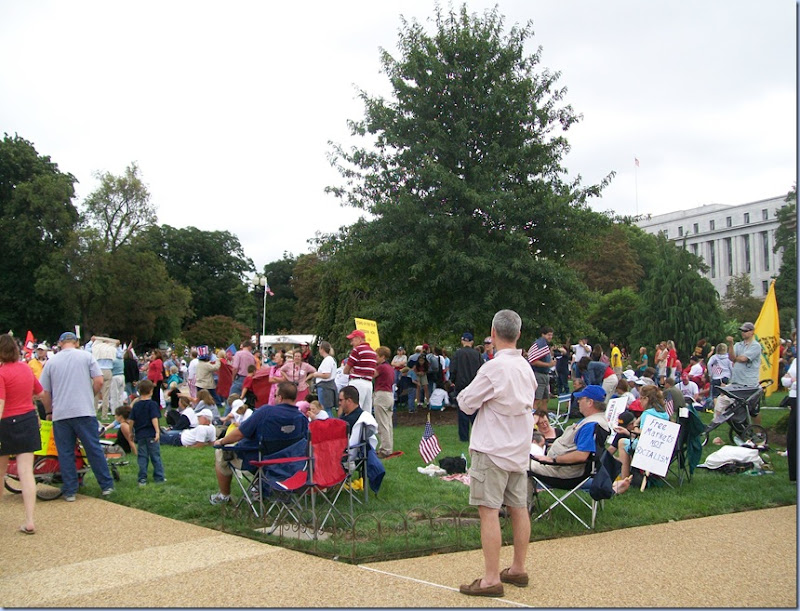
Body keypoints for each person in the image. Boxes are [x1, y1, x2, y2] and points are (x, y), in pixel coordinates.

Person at [457, 310, 536, 597]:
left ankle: (491, 578)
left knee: (488, 510)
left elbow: (467, 402)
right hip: (519, 448)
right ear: (518, 334)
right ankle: (518, 567)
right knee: (518, 507)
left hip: (492, 448)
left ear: (493, 333)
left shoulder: (494, 368)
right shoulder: (526, 367)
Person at [39, 331, 115, 501]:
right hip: (84, 410)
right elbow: (99, 380)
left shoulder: (51, 362)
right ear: (76, 342)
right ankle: (106, 485)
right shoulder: (86, 356)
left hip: (61, 412)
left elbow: (45, 392)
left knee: (65, 452)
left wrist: (49, 411)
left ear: (60, 343)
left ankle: (70, 490)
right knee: (93, 448)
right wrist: (90, 394)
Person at [209, 382, 307, 505]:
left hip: (259, 461)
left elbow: (240, 433)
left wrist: (221, 441)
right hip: (289, 464)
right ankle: (259, 488)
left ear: (280, 397)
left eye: (275, 395)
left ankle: (224, 496)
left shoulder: (266, 412)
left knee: (220, 451)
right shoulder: (301, 418)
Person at [0, 334, 43, 534]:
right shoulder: (26, 368)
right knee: (26, 472)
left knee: (1, 473)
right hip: (27, 420)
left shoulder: (1, 373)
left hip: (6, 423)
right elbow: (40, 393)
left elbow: (0, 404)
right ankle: (30, 520)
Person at [712, 322, 763, 422]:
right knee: (722, 399)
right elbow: (731, 357)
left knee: (753, 412)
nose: (743, 333)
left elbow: (744, 359)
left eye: (745, 331)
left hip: (749, 384)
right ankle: (715, 421)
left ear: (752, 332)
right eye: (742, 331)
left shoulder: (755, 346)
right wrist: (731, 344)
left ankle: (757, 430)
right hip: (736, 382)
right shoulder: (738, 345)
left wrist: (736, 358)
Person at [128, 380, 165, 486]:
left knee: (142, 457)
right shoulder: (152, 404)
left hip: (140, 435)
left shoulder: (136, 405)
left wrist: (130, 432)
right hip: (151, 434)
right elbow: (154, 418)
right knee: (155, 456)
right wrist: (157, 431)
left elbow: (131, 420)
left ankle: (142, 478)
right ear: (151, 391)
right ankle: (159, 477)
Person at [450, 332, 483, 442]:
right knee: (475, 411)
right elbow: (482, 369)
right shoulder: (477, 354)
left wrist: (452, 380)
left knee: (462, 411)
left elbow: (453, 369)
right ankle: (477, 434)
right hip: (475, 385)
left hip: (461, 385)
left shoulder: (457, 354)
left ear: (462, 341)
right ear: (472, 342)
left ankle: (464, 437)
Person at [343, 330, 377, 414]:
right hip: (368, 383)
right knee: (366, 412)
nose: (351, 343)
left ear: (359, 339)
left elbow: (345, 370)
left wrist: (351, 369)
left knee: (353, 410)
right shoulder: (373, 352)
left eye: (352, 340)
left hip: (357, 382)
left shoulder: (357, 350)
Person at [372, 346, 395, 458]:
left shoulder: (381, 368)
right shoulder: (390, 368)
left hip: (381, 395)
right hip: (389, 395)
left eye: (377, 356)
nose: (375, 358)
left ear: (383, 357)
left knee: (382, 424)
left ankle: (385, 449)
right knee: (388, 423)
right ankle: (388, 447)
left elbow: (371, 375)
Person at [307, 341, 337, 416]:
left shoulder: (328, 360)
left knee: (325, 409)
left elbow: (326, 375)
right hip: (327, 386)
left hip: (325, 387)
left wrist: (316, 374)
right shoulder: (330, 359)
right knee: (327, 409)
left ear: (322, 349)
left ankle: (329, 422)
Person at [527, 326, 554, 413]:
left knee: (545, 399)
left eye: (551, 335)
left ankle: (543, 416)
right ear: (543, 334)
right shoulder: (540, 344)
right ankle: (531, 417)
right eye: (548, 335)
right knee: (537, 399)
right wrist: (548, 364)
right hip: (539, 375)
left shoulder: (545, 345)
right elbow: (533, 361)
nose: (550, 337)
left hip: (545, 375)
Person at [781, 357, 796, 482]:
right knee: (792, 438)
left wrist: (793, 382)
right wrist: (792, 380)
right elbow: (785, 381)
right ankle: (795, 475)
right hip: (794, 400)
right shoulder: (796, 361)